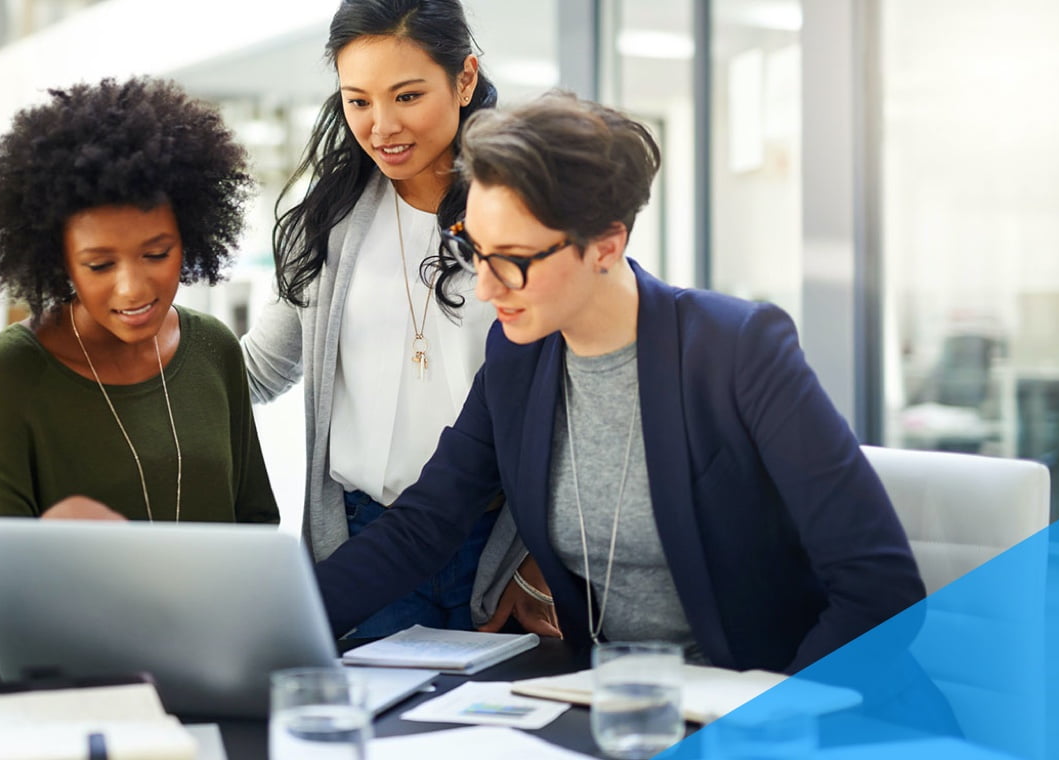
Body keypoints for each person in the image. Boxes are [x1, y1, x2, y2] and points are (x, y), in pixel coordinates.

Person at [315, 92, 925, 674]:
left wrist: (770, 721)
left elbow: (881, 589)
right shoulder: (517, 358)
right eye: (475, 250)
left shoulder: (736, 350)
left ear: (606, 244)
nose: (485, 287)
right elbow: (424, 524)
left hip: (781, 707)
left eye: (513, 260)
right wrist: (286, 617)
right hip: (618, 708)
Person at [241, 0, 558, 638]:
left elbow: (574, 398)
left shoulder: (525, 218)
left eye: (407, 95)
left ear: (464, 79)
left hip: (495, 551)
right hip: (364, 542)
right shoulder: (327, 222)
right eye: (357, 101)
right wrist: (117, 351)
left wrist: (537, 567)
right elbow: (258, 370)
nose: (382, 125)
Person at [0, 76, 278, 667]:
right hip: (66, 690)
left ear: (192, 235)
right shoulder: (8, 378)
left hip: (208, 669)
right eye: (99, 263)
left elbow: (256, 533)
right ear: (58, 261)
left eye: (157, 254)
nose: (134, 288)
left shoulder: (214, 350)